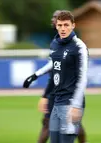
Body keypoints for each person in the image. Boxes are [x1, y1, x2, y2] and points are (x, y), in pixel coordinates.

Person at [23, 10, 88, 143]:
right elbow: (53, 63)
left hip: (70, 102)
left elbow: (82, 78)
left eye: (66, 25)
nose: (63, 29)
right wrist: (36, 75)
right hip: (57, 101)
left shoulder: (79, 46)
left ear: (73, 25)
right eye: (60, 25)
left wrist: (76, 105)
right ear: (56, 26)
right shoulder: (55, 44)